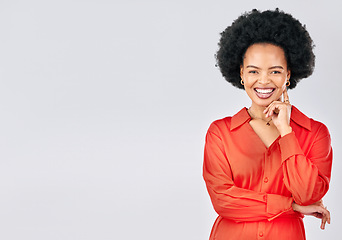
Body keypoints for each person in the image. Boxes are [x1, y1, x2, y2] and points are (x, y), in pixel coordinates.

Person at [203, 9, 333, 240]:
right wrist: (290, 206)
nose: (263, 81)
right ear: (242, 74)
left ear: (288, 75)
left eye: (275, 71)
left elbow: (307, 195)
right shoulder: (220, 132)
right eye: (254, 71)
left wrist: (286, 132)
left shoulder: (315, 134)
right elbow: (223, 200)